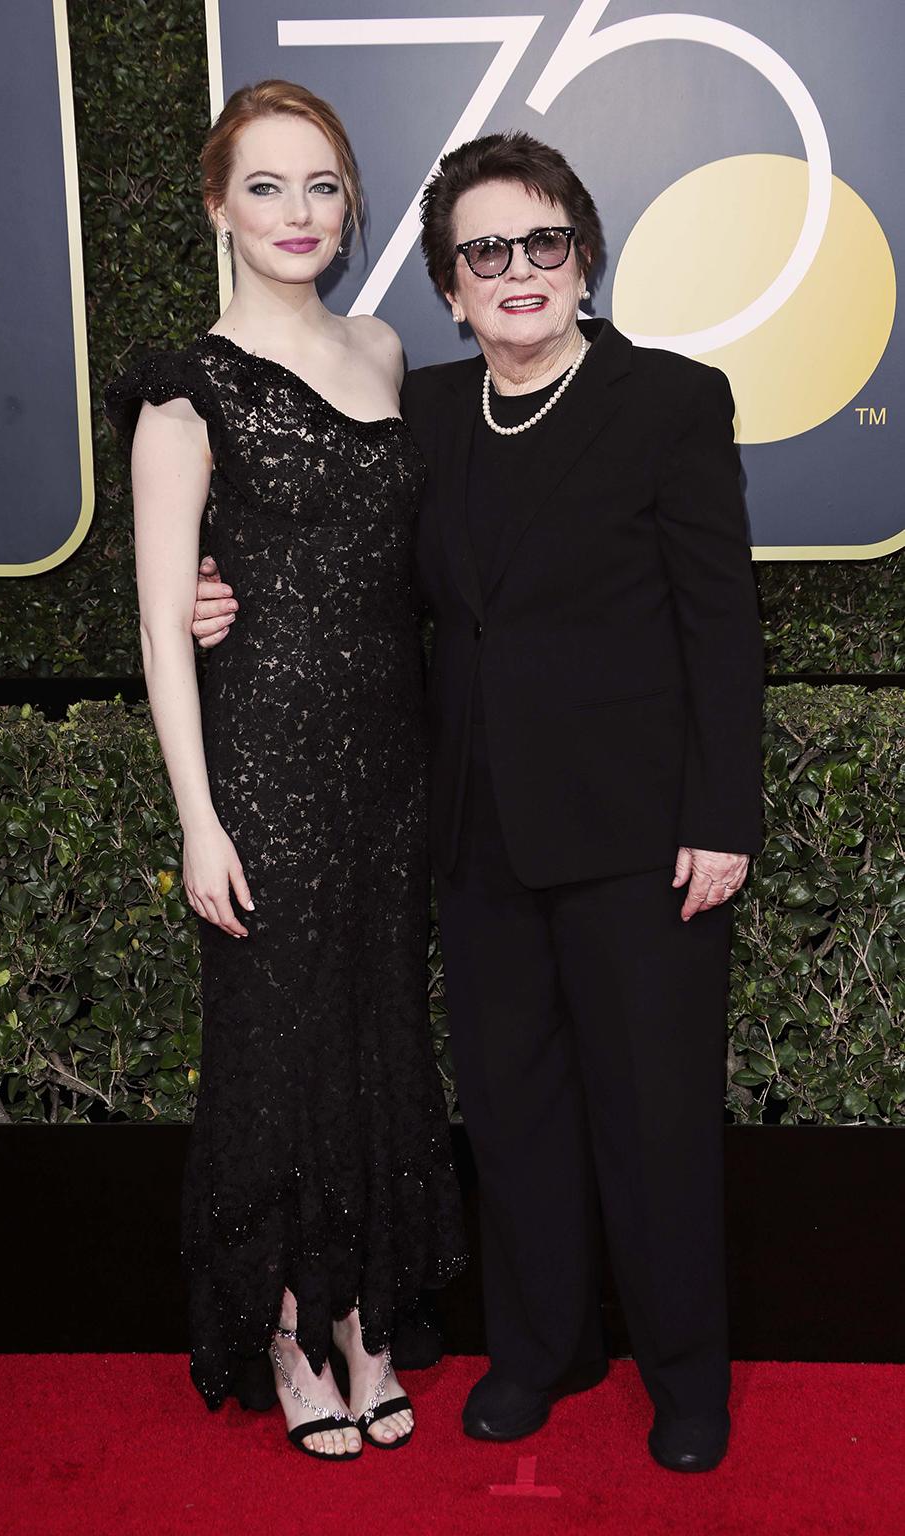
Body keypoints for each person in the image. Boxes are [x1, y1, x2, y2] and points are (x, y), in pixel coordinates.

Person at [194, 129, 765, 1472]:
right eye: (483, 253)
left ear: (582, 263)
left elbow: (719, 628)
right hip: (474, 832)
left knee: (653, 1116)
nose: (516, 271)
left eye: (542, 244)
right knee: (509, 1112)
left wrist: (722, 815)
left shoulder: (669, 402)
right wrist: (224, 605)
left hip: (638, 836)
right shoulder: (432, 416)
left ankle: (686, 1380)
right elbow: (354, 586)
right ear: (449, 289)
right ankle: (542, 1348)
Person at [104, 79, 467, 1462]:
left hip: (393, 765)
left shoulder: (384, 351)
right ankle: (281, 1324)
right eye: (265, 186)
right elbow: (157, 618)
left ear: (349, 201)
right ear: (217, 206)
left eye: (319, 185)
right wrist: (197, 819)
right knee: (276, 1054)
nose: (297, 212)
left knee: (379, 1040)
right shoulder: (181, 389)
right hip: (261, 764)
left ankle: (368, 1315)